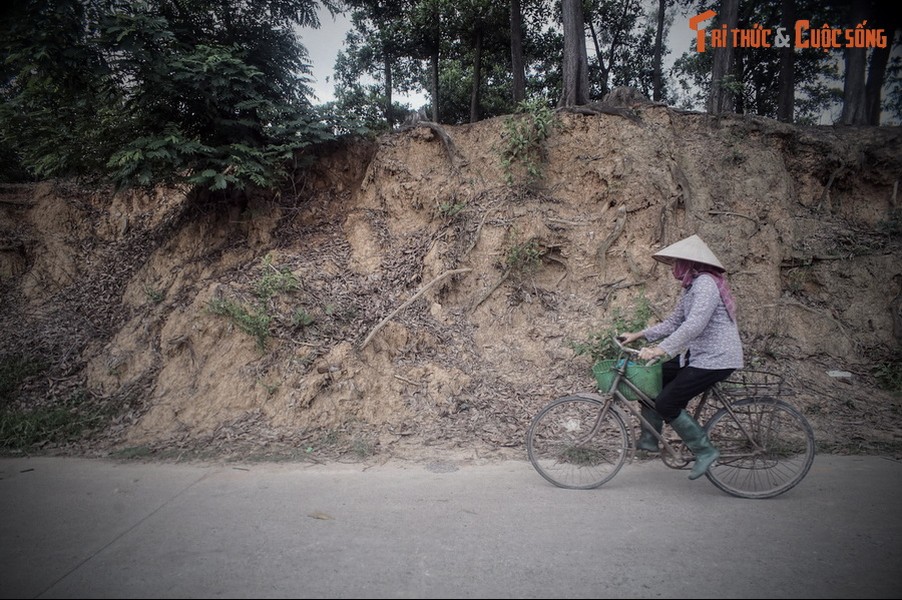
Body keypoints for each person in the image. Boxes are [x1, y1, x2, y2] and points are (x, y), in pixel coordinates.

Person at [618, 234, 744, 480]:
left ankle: (705, 451)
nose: (674, 267)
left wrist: (660, 349)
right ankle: (650, 439)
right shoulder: (691, 287)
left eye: (678, 261)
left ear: (691, 263)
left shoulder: (706, 284)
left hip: (716, 358)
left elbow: (694, 326)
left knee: (667, 401)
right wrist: (639, 335)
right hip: (698, 355)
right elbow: (675, 322)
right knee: (653, 379)